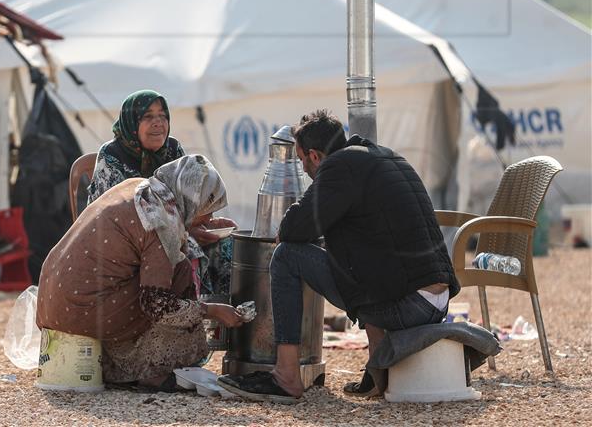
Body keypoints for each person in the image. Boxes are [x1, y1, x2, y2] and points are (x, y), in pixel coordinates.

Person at [218, 110, 460, 403]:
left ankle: (286, 376)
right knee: (359, 256)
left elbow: (295, 229)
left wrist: (294, 218)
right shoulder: (382, 156)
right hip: (436, 301)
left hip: (408, 307)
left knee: (286, 256)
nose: (305, 171)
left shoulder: (339, 168)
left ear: (315, 156)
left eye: (302, 161)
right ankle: (377, 369)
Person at [37, 154, 244, 389]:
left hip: (50, 305)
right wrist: (211, 310)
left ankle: (119, 358)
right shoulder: (161, 219)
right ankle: (149, 368)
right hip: (77, 312)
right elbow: (155, 304)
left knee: (171, 263)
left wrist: (191, 229)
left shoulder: (141, 187)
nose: (210, 217)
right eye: (207, 209)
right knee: (180, 270)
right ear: (192, 200)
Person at [88, 89, 236, 296]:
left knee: (226, 245)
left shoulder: (173, 150)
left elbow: (189, 204)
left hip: (173, 233)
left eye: (163, 116)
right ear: (132, 123)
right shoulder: (112, 156)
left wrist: (205, 223)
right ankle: (194, 312)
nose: (158, 123)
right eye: (148, 117)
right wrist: (185, 234)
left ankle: (224, 319)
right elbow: (126, 220)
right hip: (125, 241)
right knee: (190, 249)